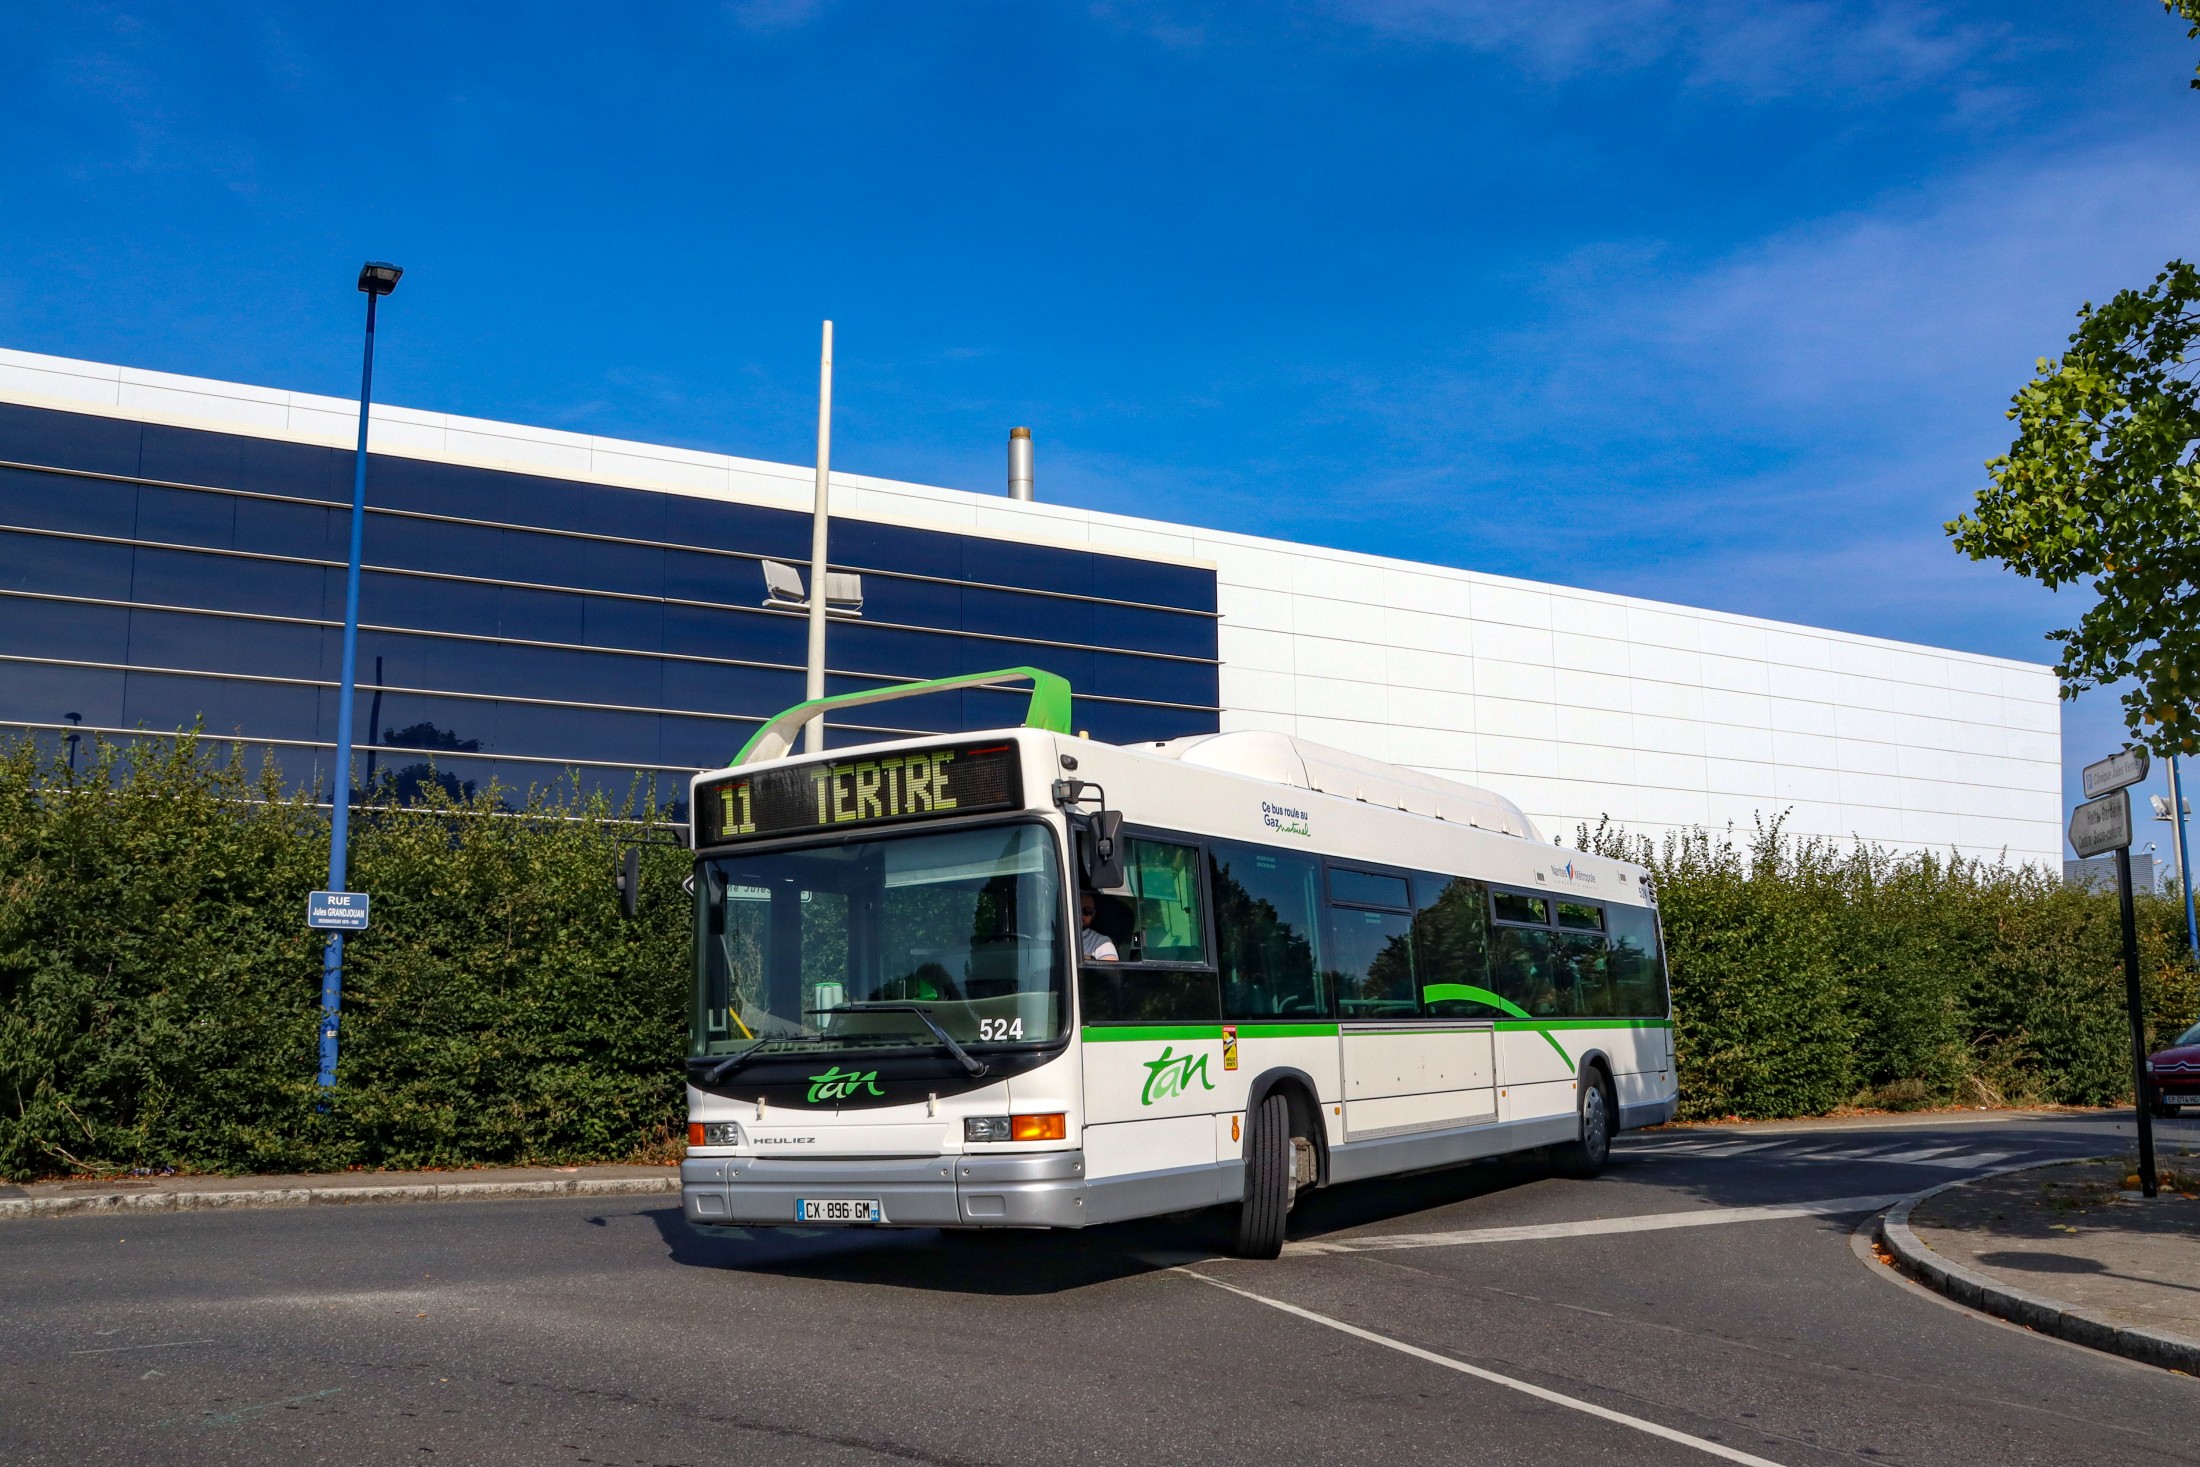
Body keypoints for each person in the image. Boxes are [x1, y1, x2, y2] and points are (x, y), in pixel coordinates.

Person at [1079, 889, 1119, 962]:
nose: (1080, 915)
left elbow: (1111, 967)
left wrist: (1087, 959)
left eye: (1087, 911)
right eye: (1076, 909)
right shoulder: (1056, 933)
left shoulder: (1101, 941)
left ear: (1093, 914)